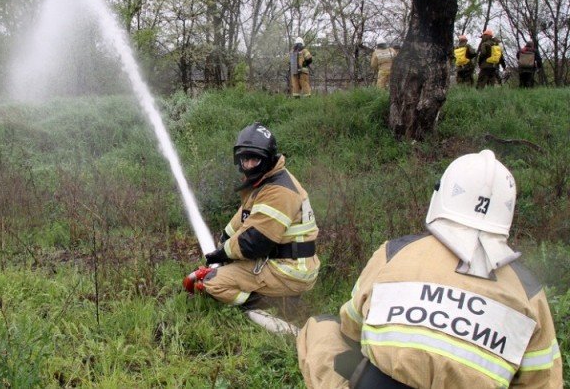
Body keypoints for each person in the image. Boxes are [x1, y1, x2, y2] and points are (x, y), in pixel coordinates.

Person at [297, 150, 562, 388]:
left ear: (442, 194)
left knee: (323, 328)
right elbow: (543, 381)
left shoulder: (395, 253)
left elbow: (351, 327)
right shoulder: (528, 290)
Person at [183, 122, 320, 308]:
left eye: (254, 160)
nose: (248, 166)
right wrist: (223, 243)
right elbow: (240, 221)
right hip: (280, 262)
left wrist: (222, 254)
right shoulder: (263, 183)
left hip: (289, 271)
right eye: (244, 160)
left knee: (212, 283)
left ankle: (279, 304)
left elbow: (254, 243)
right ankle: (266, 293)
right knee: (220, 271)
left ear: (267, 159)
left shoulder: (279, 191)